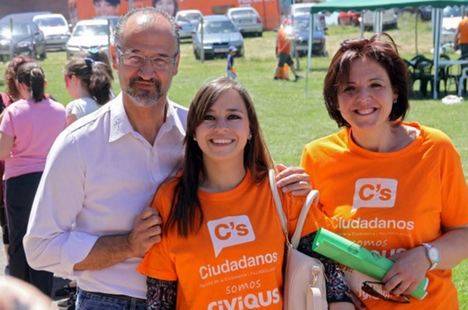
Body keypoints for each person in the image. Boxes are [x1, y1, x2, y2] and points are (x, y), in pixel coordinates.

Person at [24, 8, 310, 308]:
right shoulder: (79, 144)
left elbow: (251, 189)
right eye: (135, 56)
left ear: (176, 63)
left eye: (160, 59)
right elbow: (40, 247)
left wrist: (288, 184)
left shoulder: (201, 130)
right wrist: (125, 246)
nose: (147, 72)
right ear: (114, 56)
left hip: (199, 295)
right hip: (110, 300)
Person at [138, 77, 354, 309]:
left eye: (233, 116)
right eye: (208, 117)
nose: (221, 127)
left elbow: (329, 272)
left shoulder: (281, 189)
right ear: (193, 131)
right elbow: (160, 298)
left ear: (250, 129)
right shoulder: (170, 199)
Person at [300, 33, 468, 309]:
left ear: (396, 91)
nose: (363, 98)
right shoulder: (317, 156)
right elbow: (310, 245)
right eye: (349, 88)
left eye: (375, 85)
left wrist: (427, 255)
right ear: (336, 98)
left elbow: (464, 233)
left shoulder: (435, 149)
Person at [0, 61, 66, 296]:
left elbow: (2, 151)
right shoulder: (60, 110)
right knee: (45, 236)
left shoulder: (13, 112)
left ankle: (21, 292)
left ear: (20, 84)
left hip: (19, 182)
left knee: (19, 239)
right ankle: (43, 292)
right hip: (49, 179)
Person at [0, 56, 34, 275]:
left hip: (11, 174)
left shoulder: (9, 107)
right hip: (35, 175)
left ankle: (15, 268)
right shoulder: (51, 104)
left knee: (11, 227)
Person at [64, 57, 113, 126]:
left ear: (73, 79)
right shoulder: (109, 103)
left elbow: (69, 136)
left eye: (66, 79)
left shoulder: (75, 108)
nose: (65, 86)